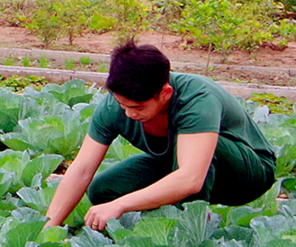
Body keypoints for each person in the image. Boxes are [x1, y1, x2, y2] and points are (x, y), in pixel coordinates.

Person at [46, 42, 277, 231]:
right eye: (122, 104)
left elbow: (191, 178)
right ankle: (157, 232)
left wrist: (121, 205)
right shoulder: (114, 107)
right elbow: (82, 169)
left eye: (138, 107)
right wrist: (49, 228)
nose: (129, 113)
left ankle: (190, 233)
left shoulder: (197, 99)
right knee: (103, 190)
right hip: (178, 166)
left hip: (247, 174)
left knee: (203, 148)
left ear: (165, 93)